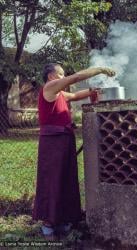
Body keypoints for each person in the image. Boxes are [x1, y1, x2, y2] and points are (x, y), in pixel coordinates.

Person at [32, 63, 115, 240]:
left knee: (66, 178)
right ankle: (48, 225)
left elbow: (76, 95)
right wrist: (100, 69)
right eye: (61, 75)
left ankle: (62, 219)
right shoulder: (49, 88)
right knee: (52, 180)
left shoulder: (59, 93)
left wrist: (92, 92)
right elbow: (76, 78)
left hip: (64, 138)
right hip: (52, 142)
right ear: (51, 77)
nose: (64, 77)